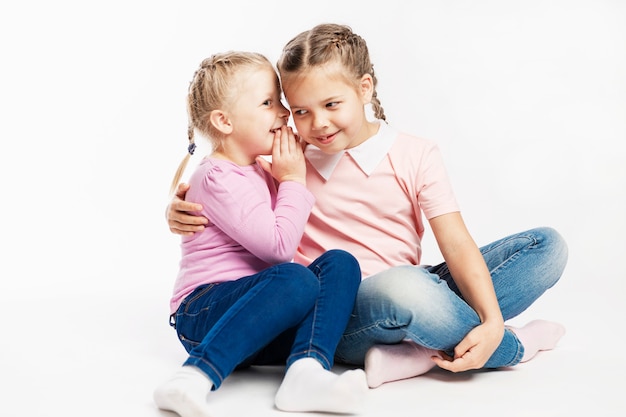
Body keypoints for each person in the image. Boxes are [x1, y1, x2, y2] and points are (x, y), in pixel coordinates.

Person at [167, 24, 569, 390]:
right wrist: (176, 205)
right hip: (339, 309)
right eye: (301, 111)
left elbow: (457, 244)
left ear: (364, 89)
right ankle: (514, 346)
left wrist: (491, 318)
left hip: (417, 286)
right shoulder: (288, 161)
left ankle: (416, 349)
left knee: (547, 247)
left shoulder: (416, 153)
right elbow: (226, 180)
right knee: (405, 288)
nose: (317, 124)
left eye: (331, 104)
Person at [154, 51, 367, 417]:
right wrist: (293, 179)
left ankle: (306, 371)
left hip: (257, 318)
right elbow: (278, 249)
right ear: (224, 121)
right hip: (204, 311)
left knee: (340, 264)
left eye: (281, 101)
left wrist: (286, 175)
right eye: (269, 102)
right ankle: (193, 377)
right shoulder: (216, 176)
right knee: (295, 278)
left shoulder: (261, 170)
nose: (283, 113)